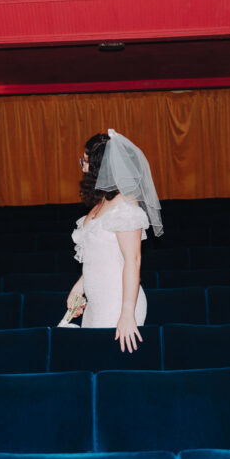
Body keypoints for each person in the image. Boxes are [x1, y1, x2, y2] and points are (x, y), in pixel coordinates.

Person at [67, 129, 163, 353]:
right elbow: (100, 256)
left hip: (118, 303)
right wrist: (79, 287)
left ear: (100, 167)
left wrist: (127, 314)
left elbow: (133, 261)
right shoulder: (101, 202)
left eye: (86, 161)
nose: (82, 166)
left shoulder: (126, 205)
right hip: (96, 302)